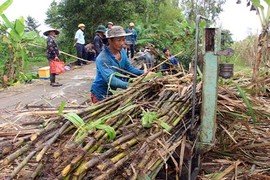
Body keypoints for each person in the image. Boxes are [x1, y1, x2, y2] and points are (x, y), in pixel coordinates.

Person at [90, 26, 153, 103]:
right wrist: (130, 86)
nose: (122, 43)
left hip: (112, 92)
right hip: (100, 93)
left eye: (123, 40)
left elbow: (128, 68)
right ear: (110, 41)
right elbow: (111, 79)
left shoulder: (122, 51)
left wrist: (144, 73)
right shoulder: (103, 58)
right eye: (119, 40)